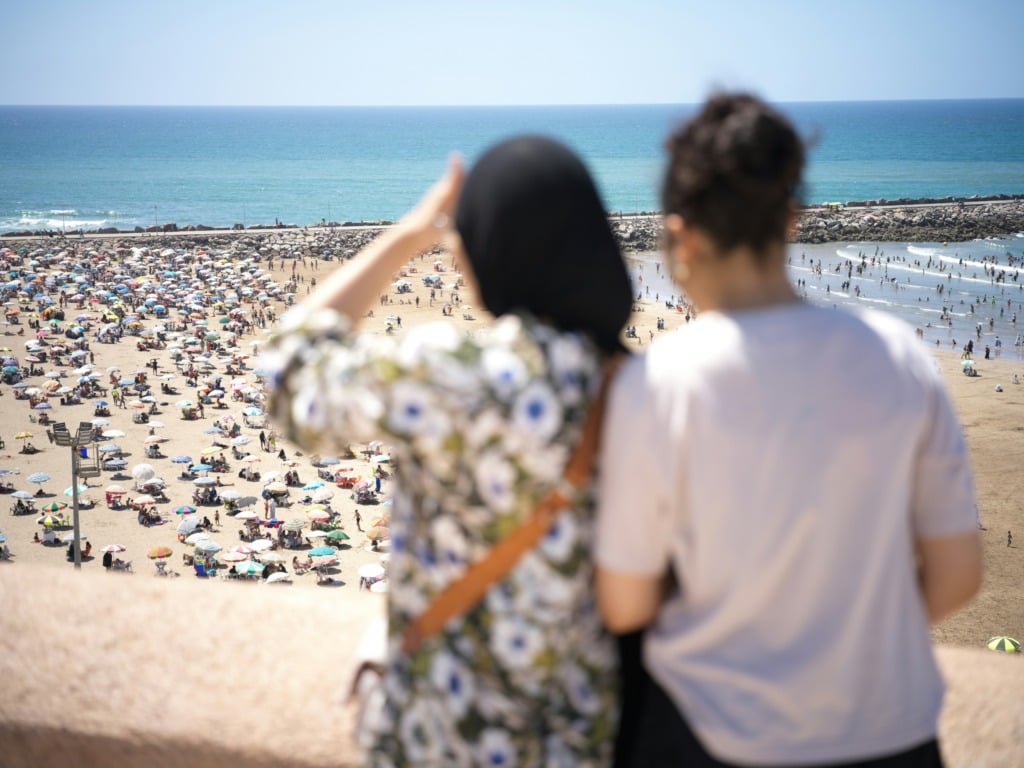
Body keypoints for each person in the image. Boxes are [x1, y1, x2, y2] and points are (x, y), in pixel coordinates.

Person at [594, 94, 983, 767]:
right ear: (793, 220)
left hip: (710, 737)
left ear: (682, 238)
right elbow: (959, 574)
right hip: (891, 733)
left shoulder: (660, 383)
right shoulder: (899, 356)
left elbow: (625, 604)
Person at [263, 137, 633, 766]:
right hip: (578, 739)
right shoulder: (637, 383)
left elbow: (288, 372)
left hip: (444, 734)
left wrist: (410, 232)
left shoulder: (457, 375)